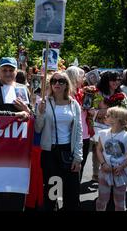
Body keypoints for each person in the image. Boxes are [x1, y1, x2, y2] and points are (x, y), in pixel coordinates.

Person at [0, 57, 33, 211]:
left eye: (11, 70)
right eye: (5, 70)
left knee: (15, 189)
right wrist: (16, 115)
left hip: (18, 147)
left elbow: (30, 115)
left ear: (16, 72)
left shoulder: (23, 89)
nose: (8, 73)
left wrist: (28, 111)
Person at [35, 72, 83, 211]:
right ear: (50, 84)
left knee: (72, 195)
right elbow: (38, 129)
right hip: (50, 153)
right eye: (54, 81)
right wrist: (40, 113)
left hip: (69, 151)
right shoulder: (44, 102)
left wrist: (78, 157)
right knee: (52, 193)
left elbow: (79, 131)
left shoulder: (74, 105)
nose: (57, 83)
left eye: (61, 81)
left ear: (67, 84)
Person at [96, 107, 127, 211]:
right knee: (102, 200)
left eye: (108, 115)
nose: (105, 117)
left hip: (120, 172)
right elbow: (98, 149)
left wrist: (122, 166)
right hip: (105, 171)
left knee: (120, 202)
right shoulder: (103, 133)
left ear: (118, 119)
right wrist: (103, 164)